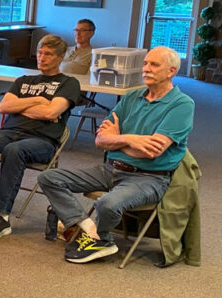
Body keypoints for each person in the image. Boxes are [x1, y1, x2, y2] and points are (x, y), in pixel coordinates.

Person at [38, 46, 194, 264]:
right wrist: (131, 140)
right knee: (48, 177)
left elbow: (153, 152)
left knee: (107, 204)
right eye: (145, 63)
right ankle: (88, 229)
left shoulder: (182, 105)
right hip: (111, 168)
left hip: (149, 177)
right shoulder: (131, 97)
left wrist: (117, 139)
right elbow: (100, 140)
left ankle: (103, 239)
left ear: (171, 71)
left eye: (154, 65)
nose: (146, 69)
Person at [0, 34, 81, 240]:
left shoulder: (68, 83)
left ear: (60, 57)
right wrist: (39, 100)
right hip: (8, 134)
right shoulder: (24, 80)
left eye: (48, 54)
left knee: (14, 150)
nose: (42, 58)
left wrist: (23, 107)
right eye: (40, 53)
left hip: (42, 141)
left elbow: (51, 113)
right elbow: (4, 107)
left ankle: (1, 217)